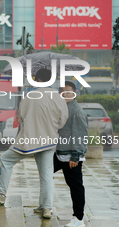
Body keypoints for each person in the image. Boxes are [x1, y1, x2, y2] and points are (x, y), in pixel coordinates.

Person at [0, 69, 68, 219]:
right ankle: (46, 208)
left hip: (29, 140)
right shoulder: (58, 97)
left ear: (39, 80)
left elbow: (21, 117)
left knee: (5, 160)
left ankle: (0, 193)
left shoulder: (30, 96)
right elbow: (63, 121)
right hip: (49, 141)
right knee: (47, 175)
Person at [56, 81, 87, 227]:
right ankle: (44, 205)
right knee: (45, 173)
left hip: (71, 156)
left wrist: (75, 156)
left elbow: (80, 135)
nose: (64, 93)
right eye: (62, 91)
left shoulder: (76, 111)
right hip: (60, 153)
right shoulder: (64, 108)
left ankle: (79, 218)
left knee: (76, 186)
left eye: (68, 91)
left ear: (74, 93)